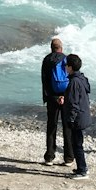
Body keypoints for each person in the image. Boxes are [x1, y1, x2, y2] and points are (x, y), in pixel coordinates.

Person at [41, 36, 74, 166]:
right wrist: (66, 97)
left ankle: (49, 156)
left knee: (51, 126)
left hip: (52, 98)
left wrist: (50, 97)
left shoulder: (47, 60)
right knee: (67, 127)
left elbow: (45, 81)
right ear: (61, 48)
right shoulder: (67, 59)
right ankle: (69, 158)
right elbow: (71, 80)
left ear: (51, 48)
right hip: (65, 98)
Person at [64, 53, 91, 179]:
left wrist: (70, 119)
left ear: (70, 67)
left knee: (77, 144)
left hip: (78, 118)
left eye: (66, 65)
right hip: (84, 114)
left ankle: (82, 170)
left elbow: (73, 103)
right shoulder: (82, 78)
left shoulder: (74, 82)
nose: (65, 68)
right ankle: (82, 167)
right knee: (78, 143)